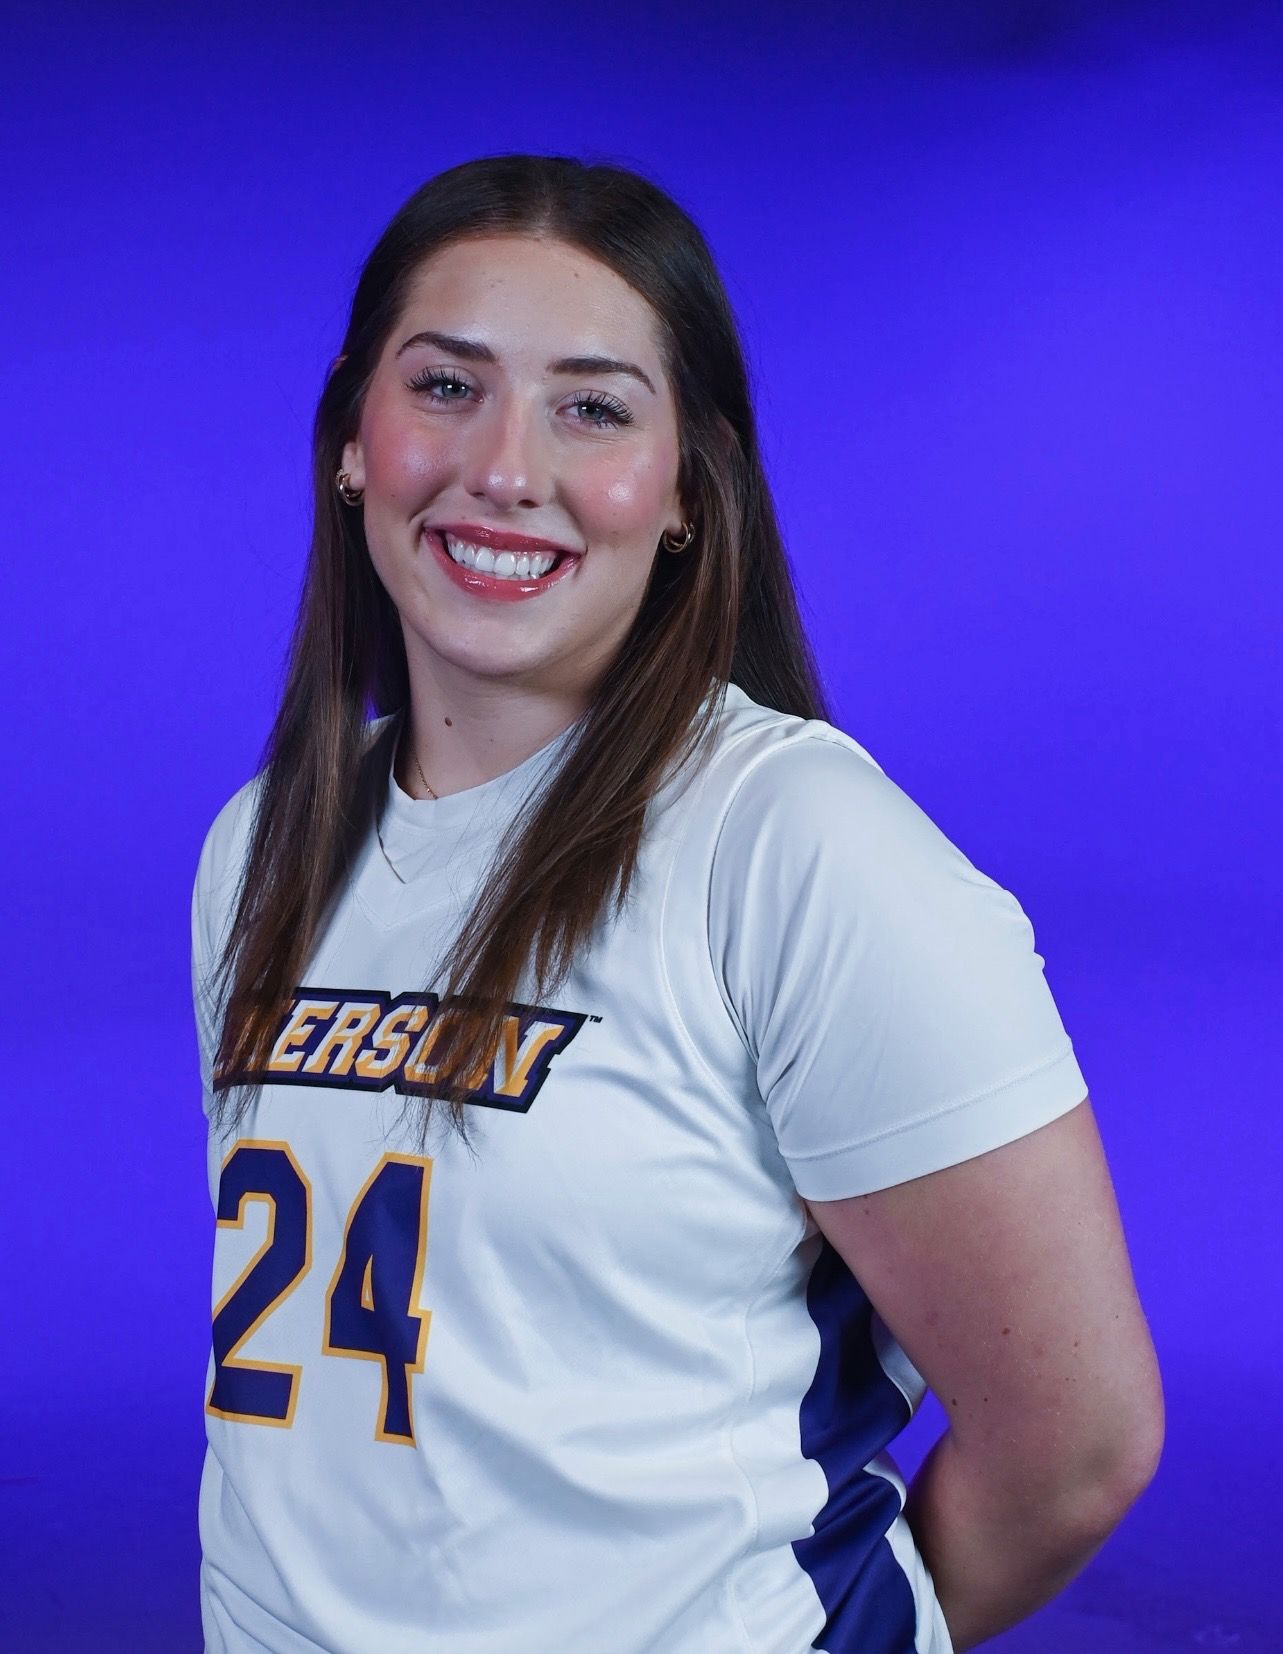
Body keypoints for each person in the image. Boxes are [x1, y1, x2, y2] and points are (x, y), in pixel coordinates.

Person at [190, 152, 1163, 1654]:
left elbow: (1078, 1445)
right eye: (445, 386)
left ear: (689, 493)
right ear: (351, 444)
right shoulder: (265, 842)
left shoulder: (793, 845)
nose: (505, 467)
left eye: (592, 408)